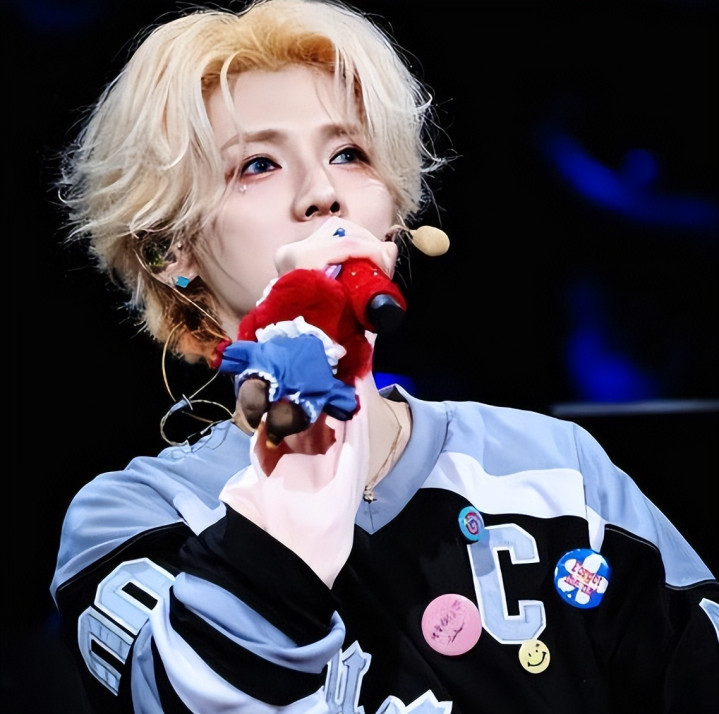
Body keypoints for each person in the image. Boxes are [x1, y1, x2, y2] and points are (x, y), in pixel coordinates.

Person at [49, 0, 719, 712]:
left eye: (349, 154)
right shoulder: (134, 519)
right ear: (170, 252)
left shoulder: (556, 468)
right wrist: (301, 405)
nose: (322, 194)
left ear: (394, 218)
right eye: (257, 165)